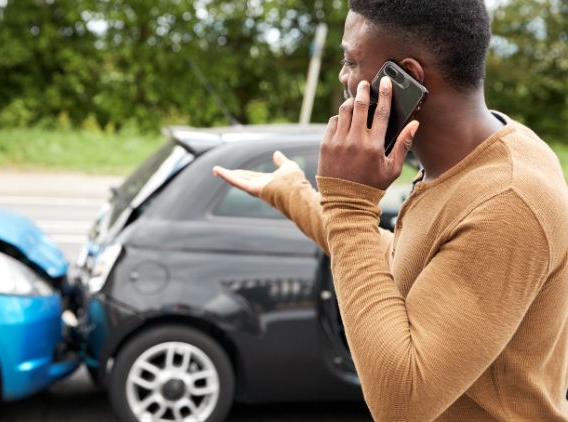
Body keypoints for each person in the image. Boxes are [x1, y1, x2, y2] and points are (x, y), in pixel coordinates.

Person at [213, 1, 568, 420]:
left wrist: (349, 204)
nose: (344, 77)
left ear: (406, 79)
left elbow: (402, 401)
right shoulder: (487, 155)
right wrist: (296, 196)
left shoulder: (508, 201)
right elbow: (411, 264)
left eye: (351, 61)